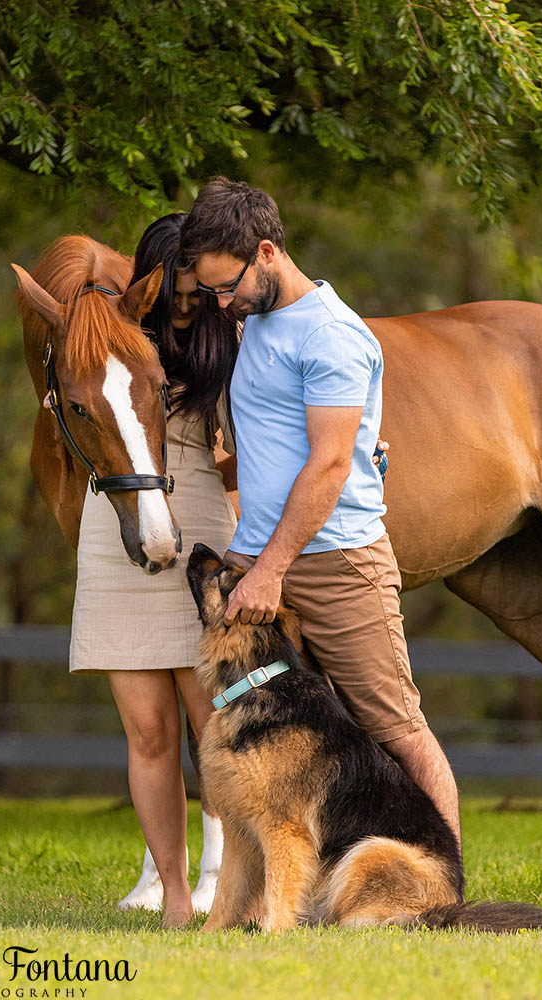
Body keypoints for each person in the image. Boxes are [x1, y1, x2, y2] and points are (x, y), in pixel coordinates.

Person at [179, 178, 461, 849]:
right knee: (258, 728)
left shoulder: (331, 334)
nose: (221, 303)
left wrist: (269, 570)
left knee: (394, 728)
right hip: (256, 555)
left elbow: (330, 464)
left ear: (268, 252)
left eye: (228, 286)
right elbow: (306, 444)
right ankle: (257, 903)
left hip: (335, 563)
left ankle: (440, 886)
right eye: (212, 291)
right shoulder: (255, 321)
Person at [68, 213, 239, 929]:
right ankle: (171, 894)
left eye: (195, 291)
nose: (187, 304)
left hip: (197, 511)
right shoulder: (106, 323)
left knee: (213, 724)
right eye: (175, 288)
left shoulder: (229, 334)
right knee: (146, 731)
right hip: (113, 526)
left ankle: (227, 885)